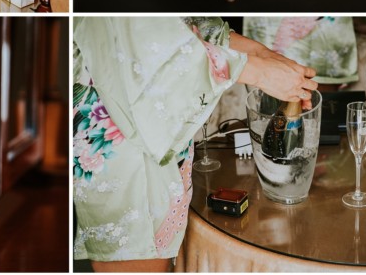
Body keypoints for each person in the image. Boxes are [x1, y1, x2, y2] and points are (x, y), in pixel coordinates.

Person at [73, 17, 317, 272]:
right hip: (124, 151)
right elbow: (151, 45)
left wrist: (264, 56)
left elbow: (186, 24)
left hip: (158, 147)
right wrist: (261, 72)